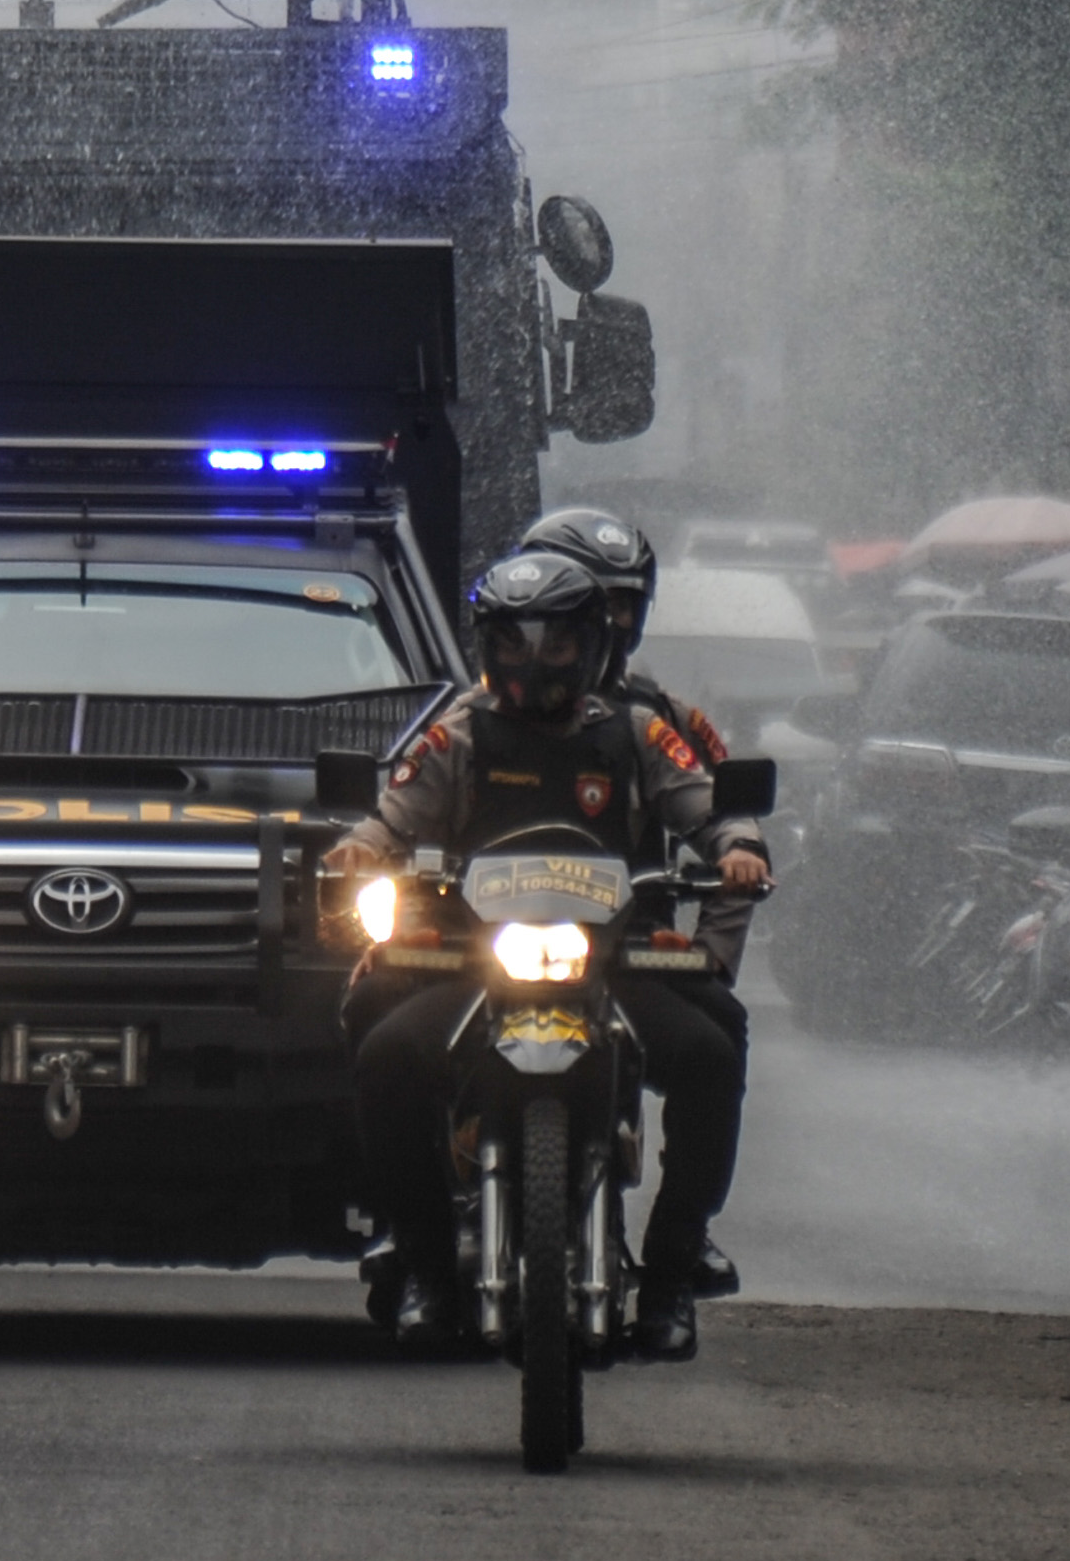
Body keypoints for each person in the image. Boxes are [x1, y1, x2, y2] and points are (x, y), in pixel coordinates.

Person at [324, 552, 765, 1365]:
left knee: (712, 1048)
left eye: (555, 644)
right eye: (514, 642)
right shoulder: (456, 730)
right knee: (381, 1044)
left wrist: (737, 846)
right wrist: (361, 850)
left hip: (614, 961)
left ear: (592, 645)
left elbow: (709, 810)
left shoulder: (635, 732)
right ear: (487, 645)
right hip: (469, 960)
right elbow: (390, 818)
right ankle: (419, 1259)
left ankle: (672, 1270)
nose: (532, 663)